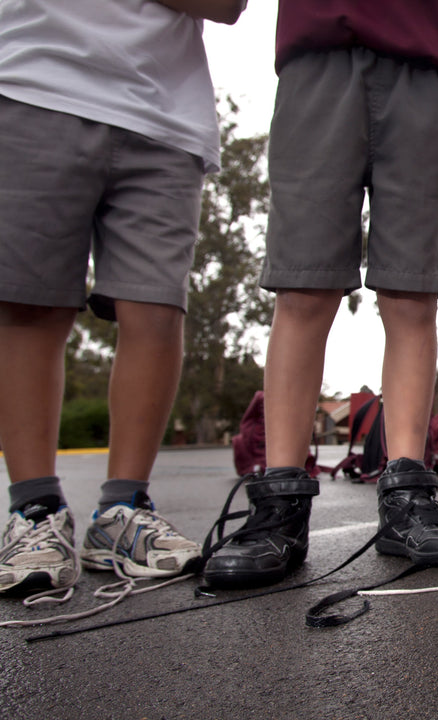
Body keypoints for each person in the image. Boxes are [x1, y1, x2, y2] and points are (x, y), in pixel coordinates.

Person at [200, 0, 438, 589]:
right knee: (303, 285)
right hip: (318, 53)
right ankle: (281, 499)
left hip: (426, 62)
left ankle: (406, 494)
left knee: (413, 292)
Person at [0, 0, 246, 601]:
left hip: (164, 113)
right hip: (33, 80)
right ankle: (35, 511)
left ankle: (123, 510)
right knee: (30, 307)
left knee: (156, 309)